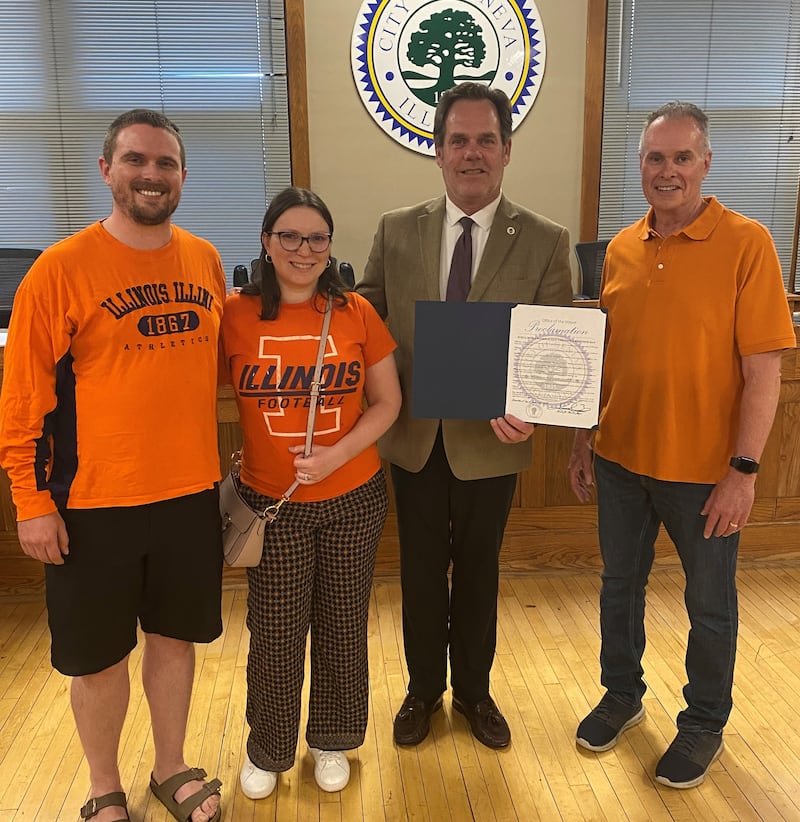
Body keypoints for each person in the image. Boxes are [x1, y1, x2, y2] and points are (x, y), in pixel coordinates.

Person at [0, 110, 226, 822]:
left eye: (165, 163)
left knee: (174, 643)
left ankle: (171, 767)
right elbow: (22, 402)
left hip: (189, 496)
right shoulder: (59, 270)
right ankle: (103, 787)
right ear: (107, 170)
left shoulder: (204, 259)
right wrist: (29, 500)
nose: (151, 174)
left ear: (184, 176)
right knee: (98, 660)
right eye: (135, 160)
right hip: (91, 503)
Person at [568, 101, 796, 789]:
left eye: (681, 157)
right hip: (619, 462)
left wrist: (744, 471)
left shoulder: (748, 242)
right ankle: (622, 695)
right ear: (640, 166)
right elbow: (607, 357)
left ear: (705, 163)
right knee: (618, 588)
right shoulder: (619, 248)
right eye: (654, 158)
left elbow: (765, 372)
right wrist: (585, 439)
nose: (667, 171)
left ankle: (702, 726)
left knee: (710, 606)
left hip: (705, 473)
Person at [357, 81, 573, 750]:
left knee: (479, 571)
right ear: (438, 150)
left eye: (486, 140)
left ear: (506, 151)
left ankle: (476, 693)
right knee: (420, 572)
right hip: (415, 438)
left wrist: (533, 407)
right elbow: (365, 314)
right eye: (459, 140)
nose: (471, 153)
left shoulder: (543, 239)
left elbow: (558, 341)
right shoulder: (396, 228)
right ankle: (423, 691)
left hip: (492, 442)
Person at [220, 187, 400, 798]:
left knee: (344, 626)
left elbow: (388, 403)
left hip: (353, 497)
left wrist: (335, 455)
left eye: (316, 238)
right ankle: (268, 748)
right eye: (289, 237)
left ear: (330, 247)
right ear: (267, 244)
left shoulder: (355, 313)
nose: (303, 249)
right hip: (272, 507)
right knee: (274, 634)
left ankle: (332, 740)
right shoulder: (232, 315)